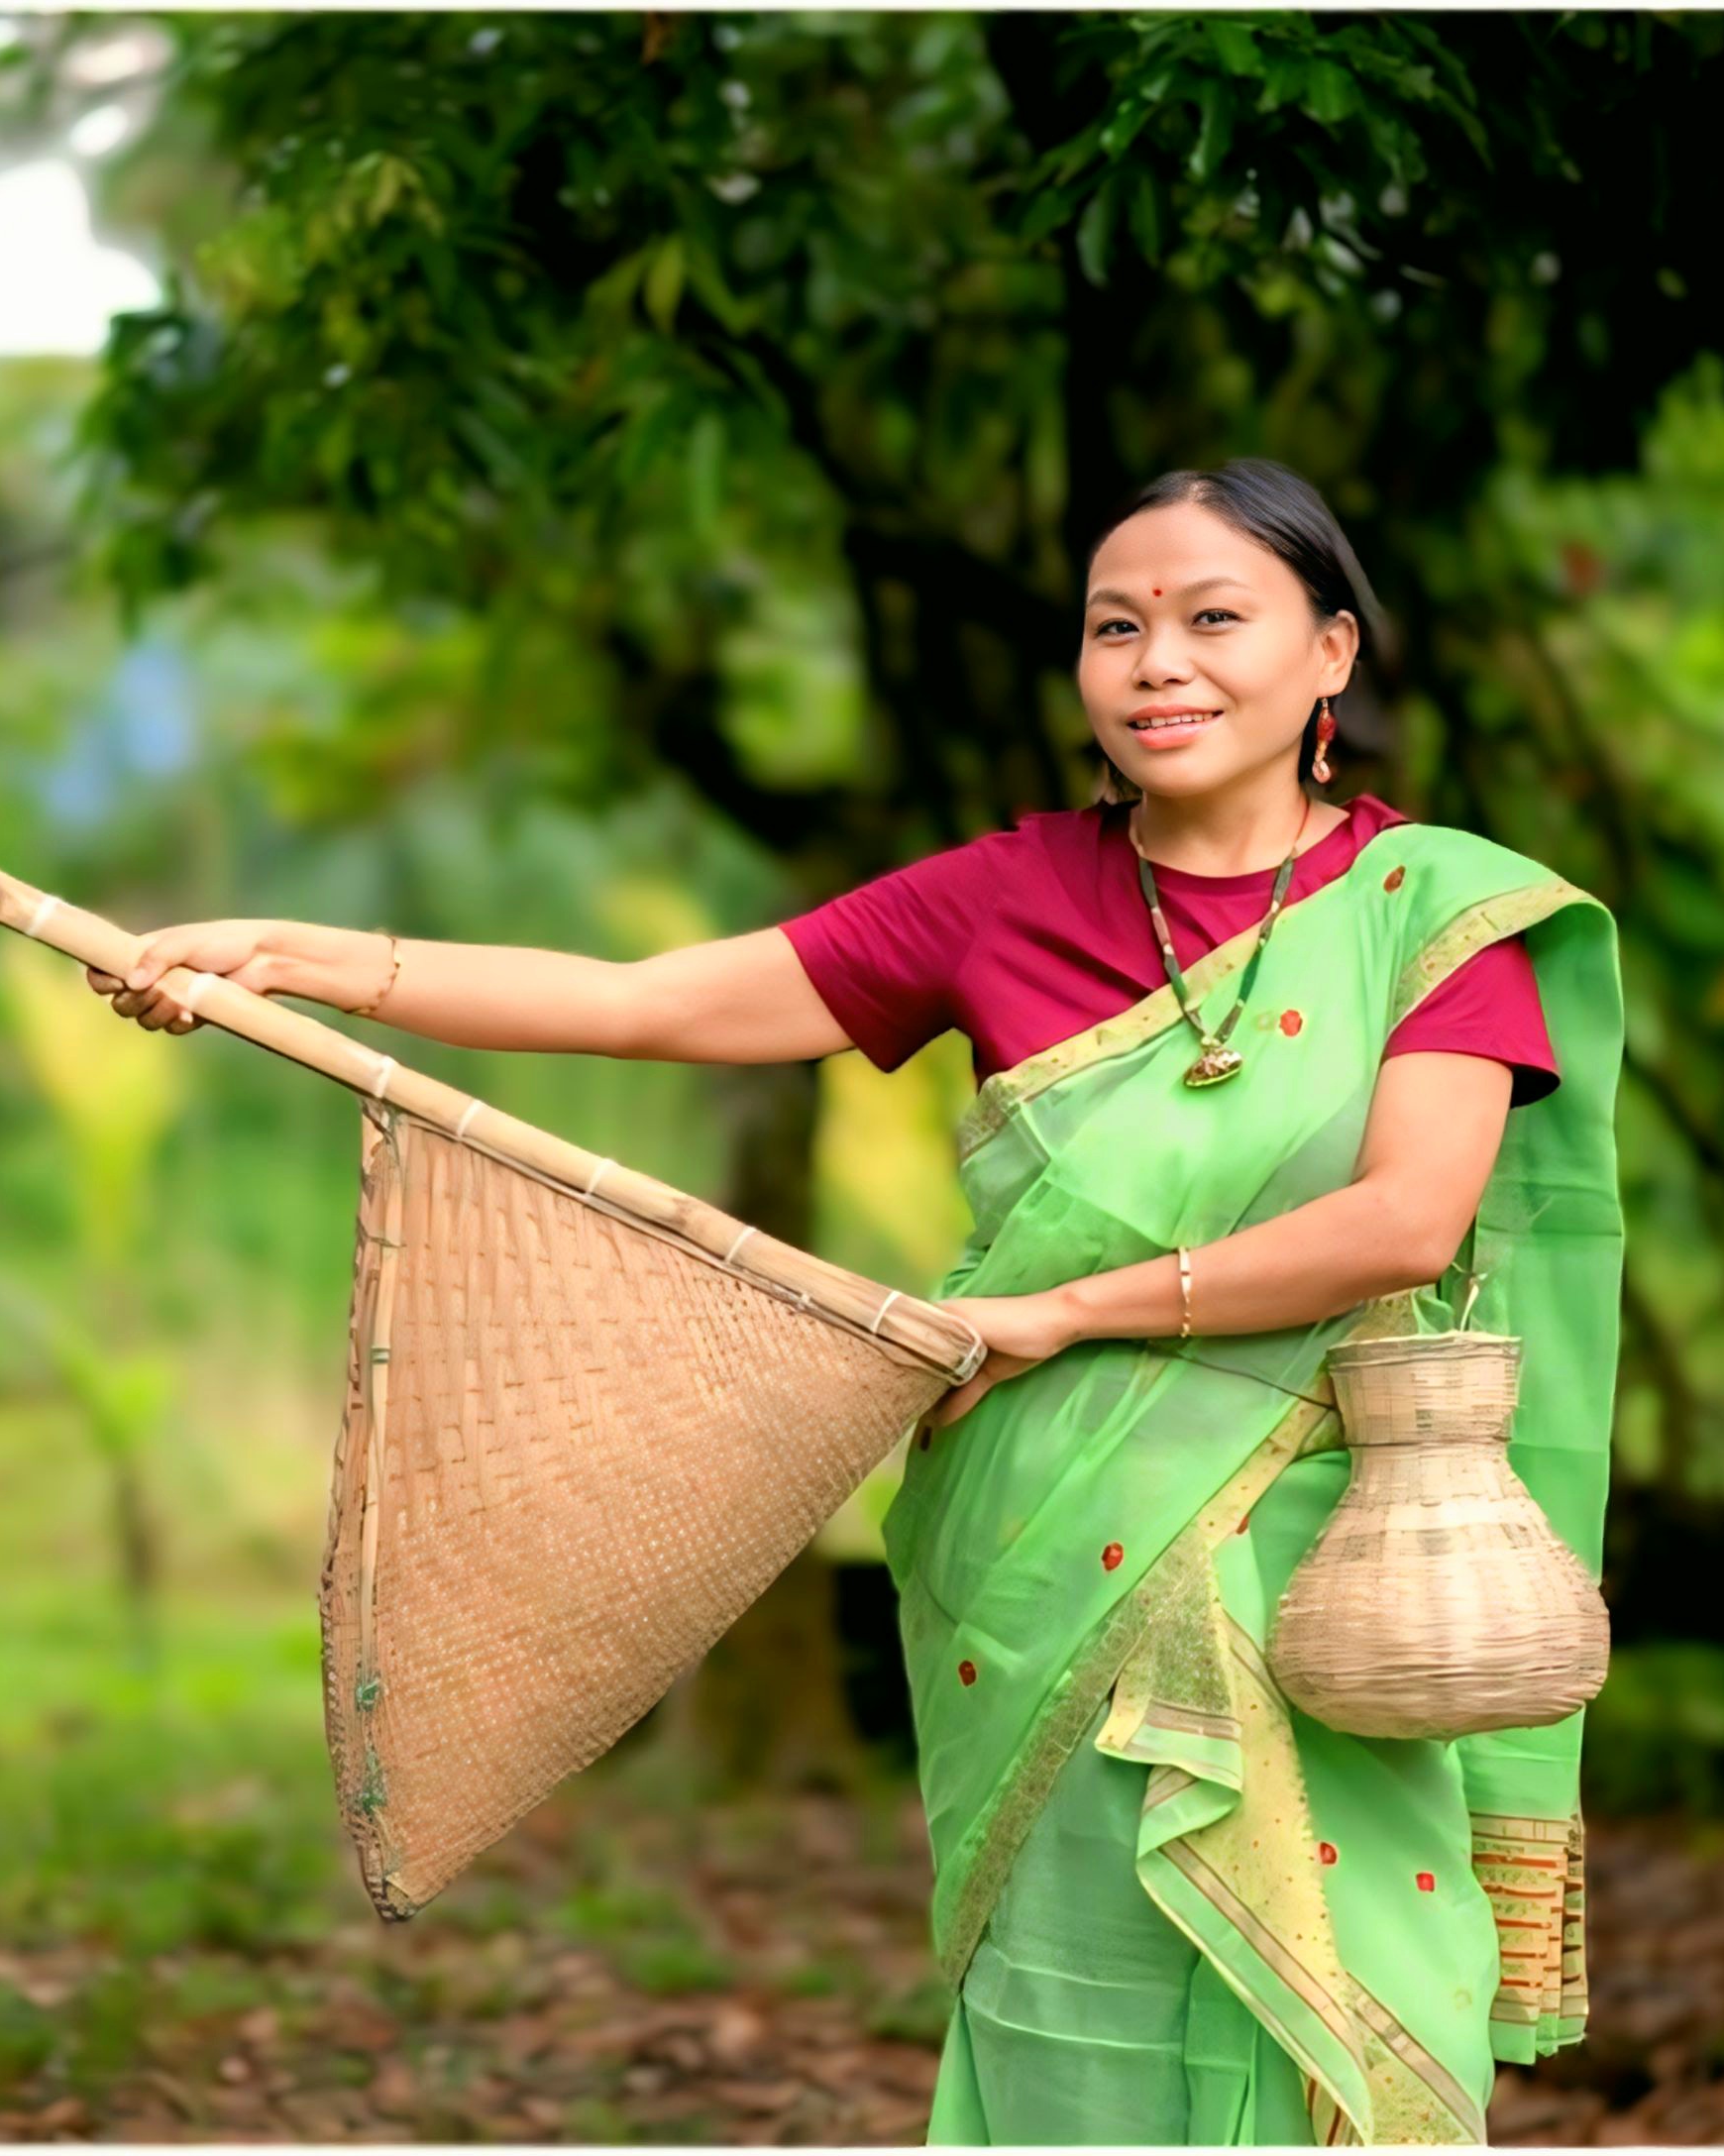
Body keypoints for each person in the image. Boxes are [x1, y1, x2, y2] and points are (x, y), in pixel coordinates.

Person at [89, 458, 1623, 2147]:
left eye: (1212, 619)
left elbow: (1406, 1222)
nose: (1157, 664)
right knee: (1074, 1996)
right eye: (1117, 627)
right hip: (1040, 1544)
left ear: (1331, 654)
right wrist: (289, 957)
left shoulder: (1444, 912)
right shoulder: (1008, 896)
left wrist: (1072, 1310)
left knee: (1366, 1996)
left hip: (1325, 1568)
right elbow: (653, 1001)